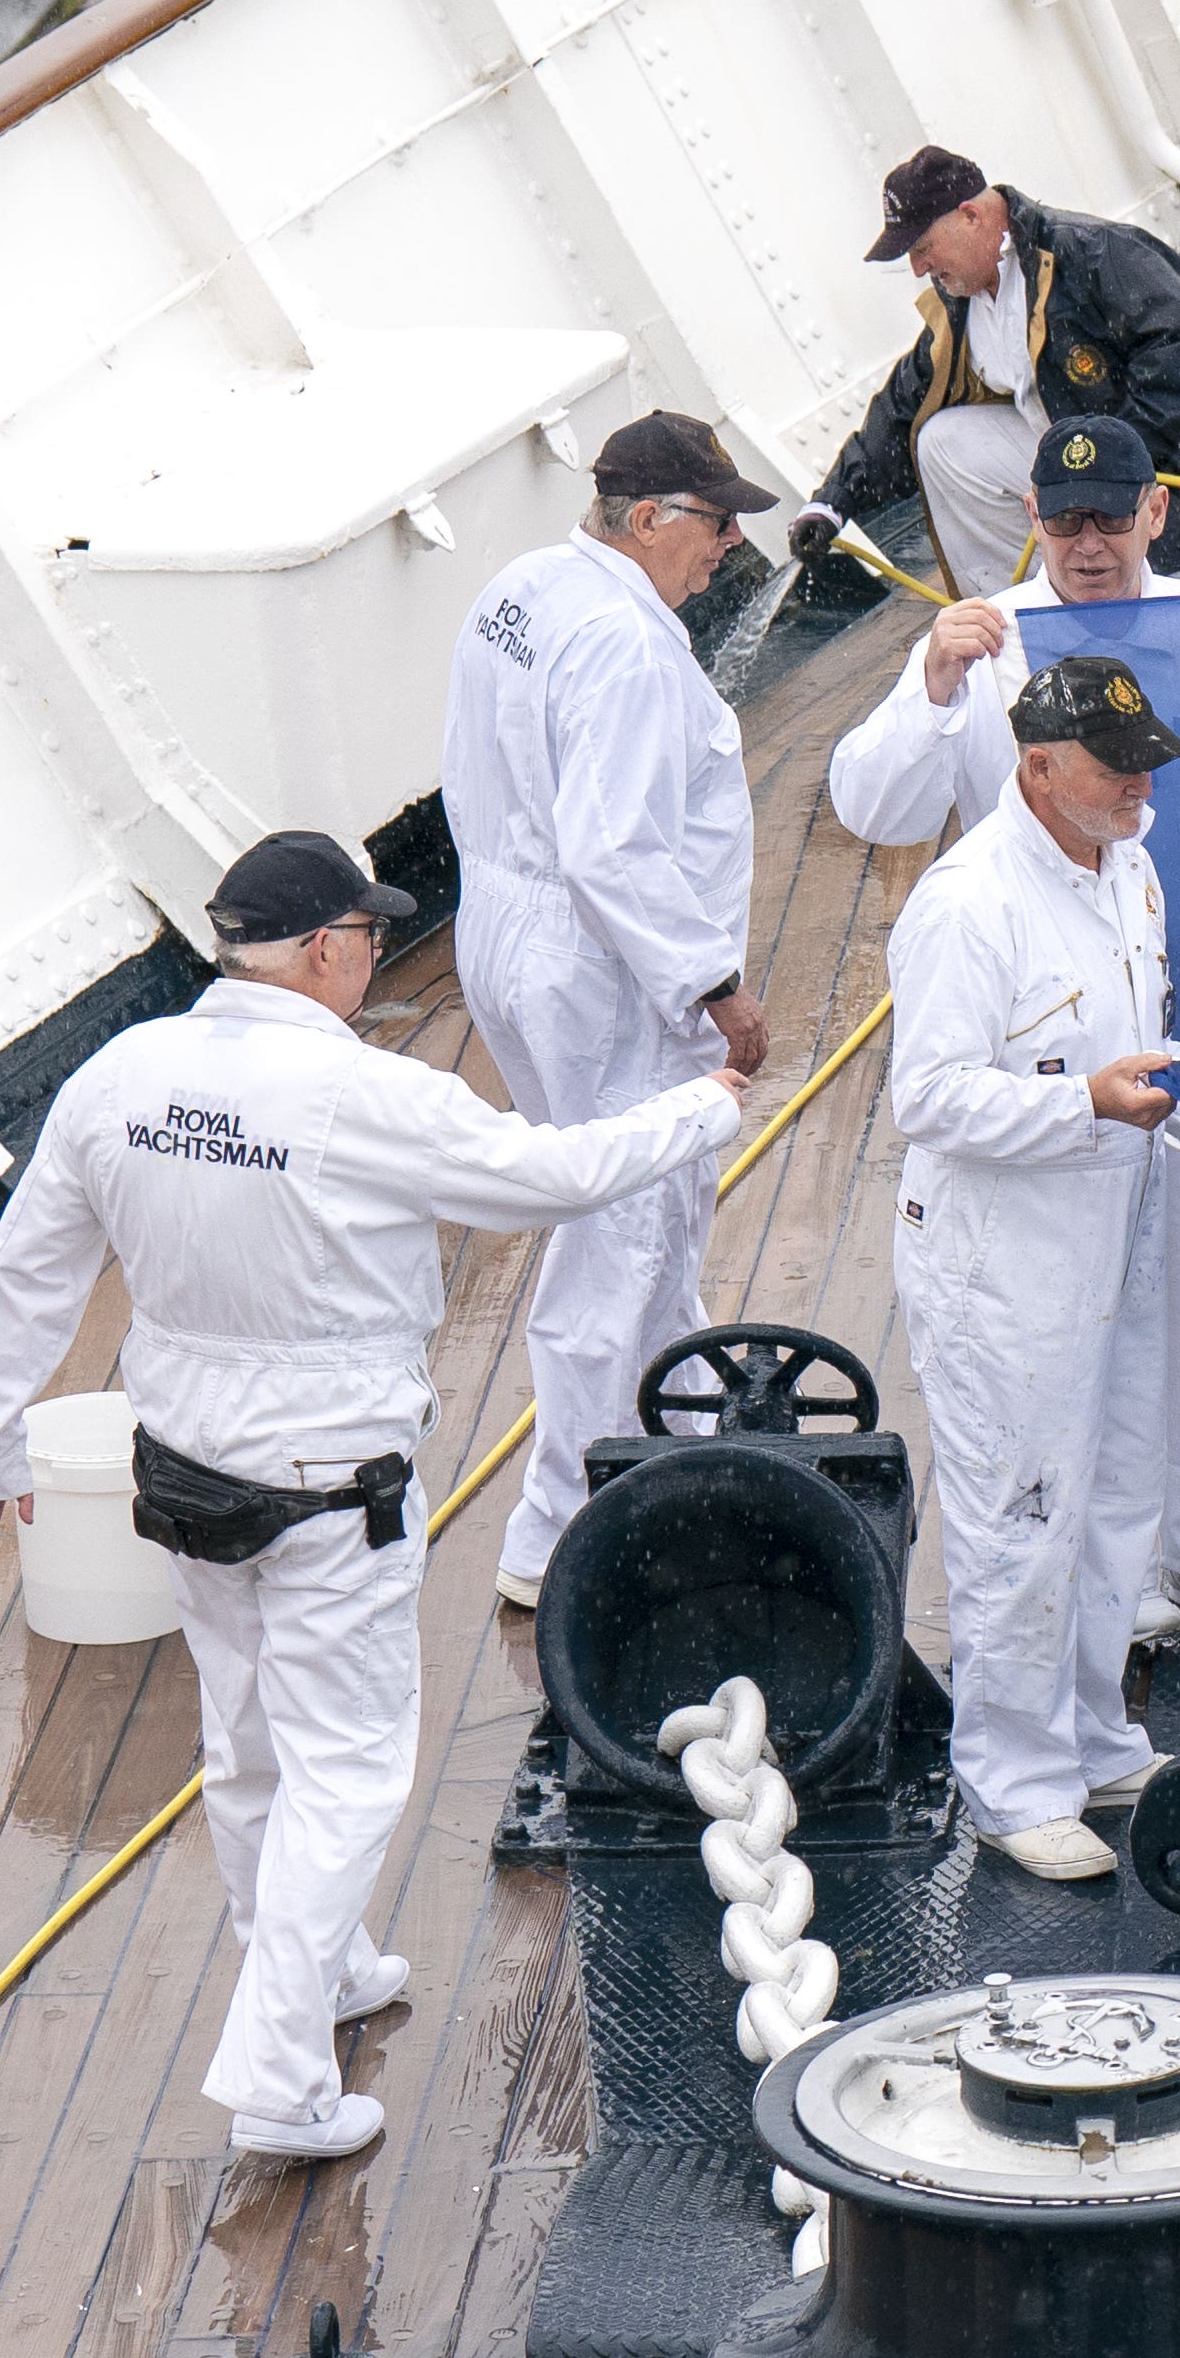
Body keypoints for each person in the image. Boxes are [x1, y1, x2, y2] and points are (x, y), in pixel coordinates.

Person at [0, 833, 749, 2160]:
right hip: (330, 1488)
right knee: (348, 1773)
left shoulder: (120, 1075)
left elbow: (30, 1273)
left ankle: (318, 1973)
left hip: (188, 1480)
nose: (375, 953)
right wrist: (706, 1105)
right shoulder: (366, 1096)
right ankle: (278, 2081)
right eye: (368, 936)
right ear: (322, 949)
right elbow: (555, 1179)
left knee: (246, 1749)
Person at [829, 416, 1180, 1645]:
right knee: (1091, 1318)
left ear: (1157, 510)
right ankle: (1126, 1572)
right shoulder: (985, 641)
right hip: (1053, 1043)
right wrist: (935, 686)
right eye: (1066, 520)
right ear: (1032, 521)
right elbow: (867, 800)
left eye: (1113, 515)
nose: (1091, 542)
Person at [441, 410, 777, 1612]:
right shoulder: (631, 646)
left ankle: (673, 1430)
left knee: (648, 1211)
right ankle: (562, 1526)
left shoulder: (522, 588)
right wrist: (713, 986)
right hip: (604, 966)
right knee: (621, 1226)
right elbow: (614, 847)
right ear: (646, 518)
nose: (731, 545)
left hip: (508, 932)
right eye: (714, 522)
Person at [887, 655, 1180, 1881]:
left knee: (1119, 1490)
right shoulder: (968, 907)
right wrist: (1086, 1105)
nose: (1139, 786)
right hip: (1003, 1266)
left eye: (1144, 763)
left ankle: (1093, 1728)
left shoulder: (1129, 861)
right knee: (1021, 1514)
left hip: (1116, 1220)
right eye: (1117, 769)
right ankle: (1013, 1778)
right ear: (1038, 767)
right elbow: (928, 1095)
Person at [791, 146, 1180, 599]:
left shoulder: (1091, 251)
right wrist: (831, 503)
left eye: (922, 247)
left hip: (1173, 461)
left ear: (971, 216)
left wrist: (1115, 457)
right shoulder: (961, 302)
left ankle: (1161, 586)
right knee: (941, 440)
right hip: (1069, 454)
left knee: (1151, 578)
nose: (918, 268)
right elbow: (902, 406)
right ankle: (1028, 613)